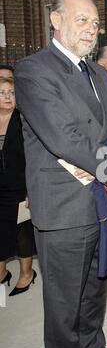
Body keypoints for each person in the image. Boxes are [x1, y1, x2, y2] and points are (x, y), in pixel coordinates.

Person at [15, 0, 107, 348]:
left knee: (94, 286)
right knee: (64, 297)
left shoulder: (99, 73)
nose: (91, 28)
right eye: (81, 19)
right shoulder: (33, 70)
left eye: (95, 22)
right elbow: (64, 139)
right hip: (65, 204)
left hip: (101, 200)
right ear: (55, 20)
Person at [0, 77, 36, 296]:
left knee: (23, 232)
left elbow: (33, 157)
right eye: (2, 92)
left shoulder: (23, 120)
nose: (7, 97)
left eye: (11, 93)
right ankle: (2, 272)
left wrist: (31, 189)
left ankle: (26, 274)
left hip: (21, 186)